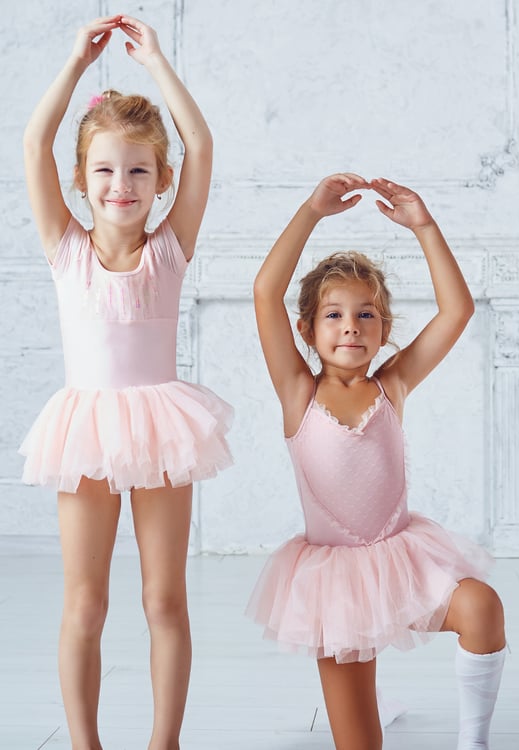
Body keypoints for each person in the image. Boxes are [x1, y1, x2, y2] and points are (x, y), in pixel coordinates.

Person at [20, 15, 232, 750]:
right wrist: (77, 63)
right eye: (106, 170)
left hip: (161, 427)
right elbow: (33, 143)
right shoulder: (64, 250)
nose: (122, 185)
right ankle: (85, 743)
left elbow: (201, 143)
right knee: (85, 602)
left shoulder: (172, 248)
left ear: (161, 180)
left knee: (164, 598)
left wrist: (159, 63)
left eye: (140, 170)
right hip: (86, 428)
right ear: (81, 181)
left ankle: (163, 742)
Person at [248, 173, 506, 750]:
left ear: (385, 329)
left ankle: (475, 741)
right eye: (334, 315)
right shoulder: (298, 393)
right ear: (307, 330)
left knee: (482, 606)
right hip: (335, 585)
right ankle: (374, 709)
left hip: (405, 562)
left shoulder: (394, 384)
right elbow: (266, 291)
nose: (350, 328)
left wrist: (425, 226)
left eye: (366, 315)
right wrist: (311, 211)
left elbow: (457, 309)